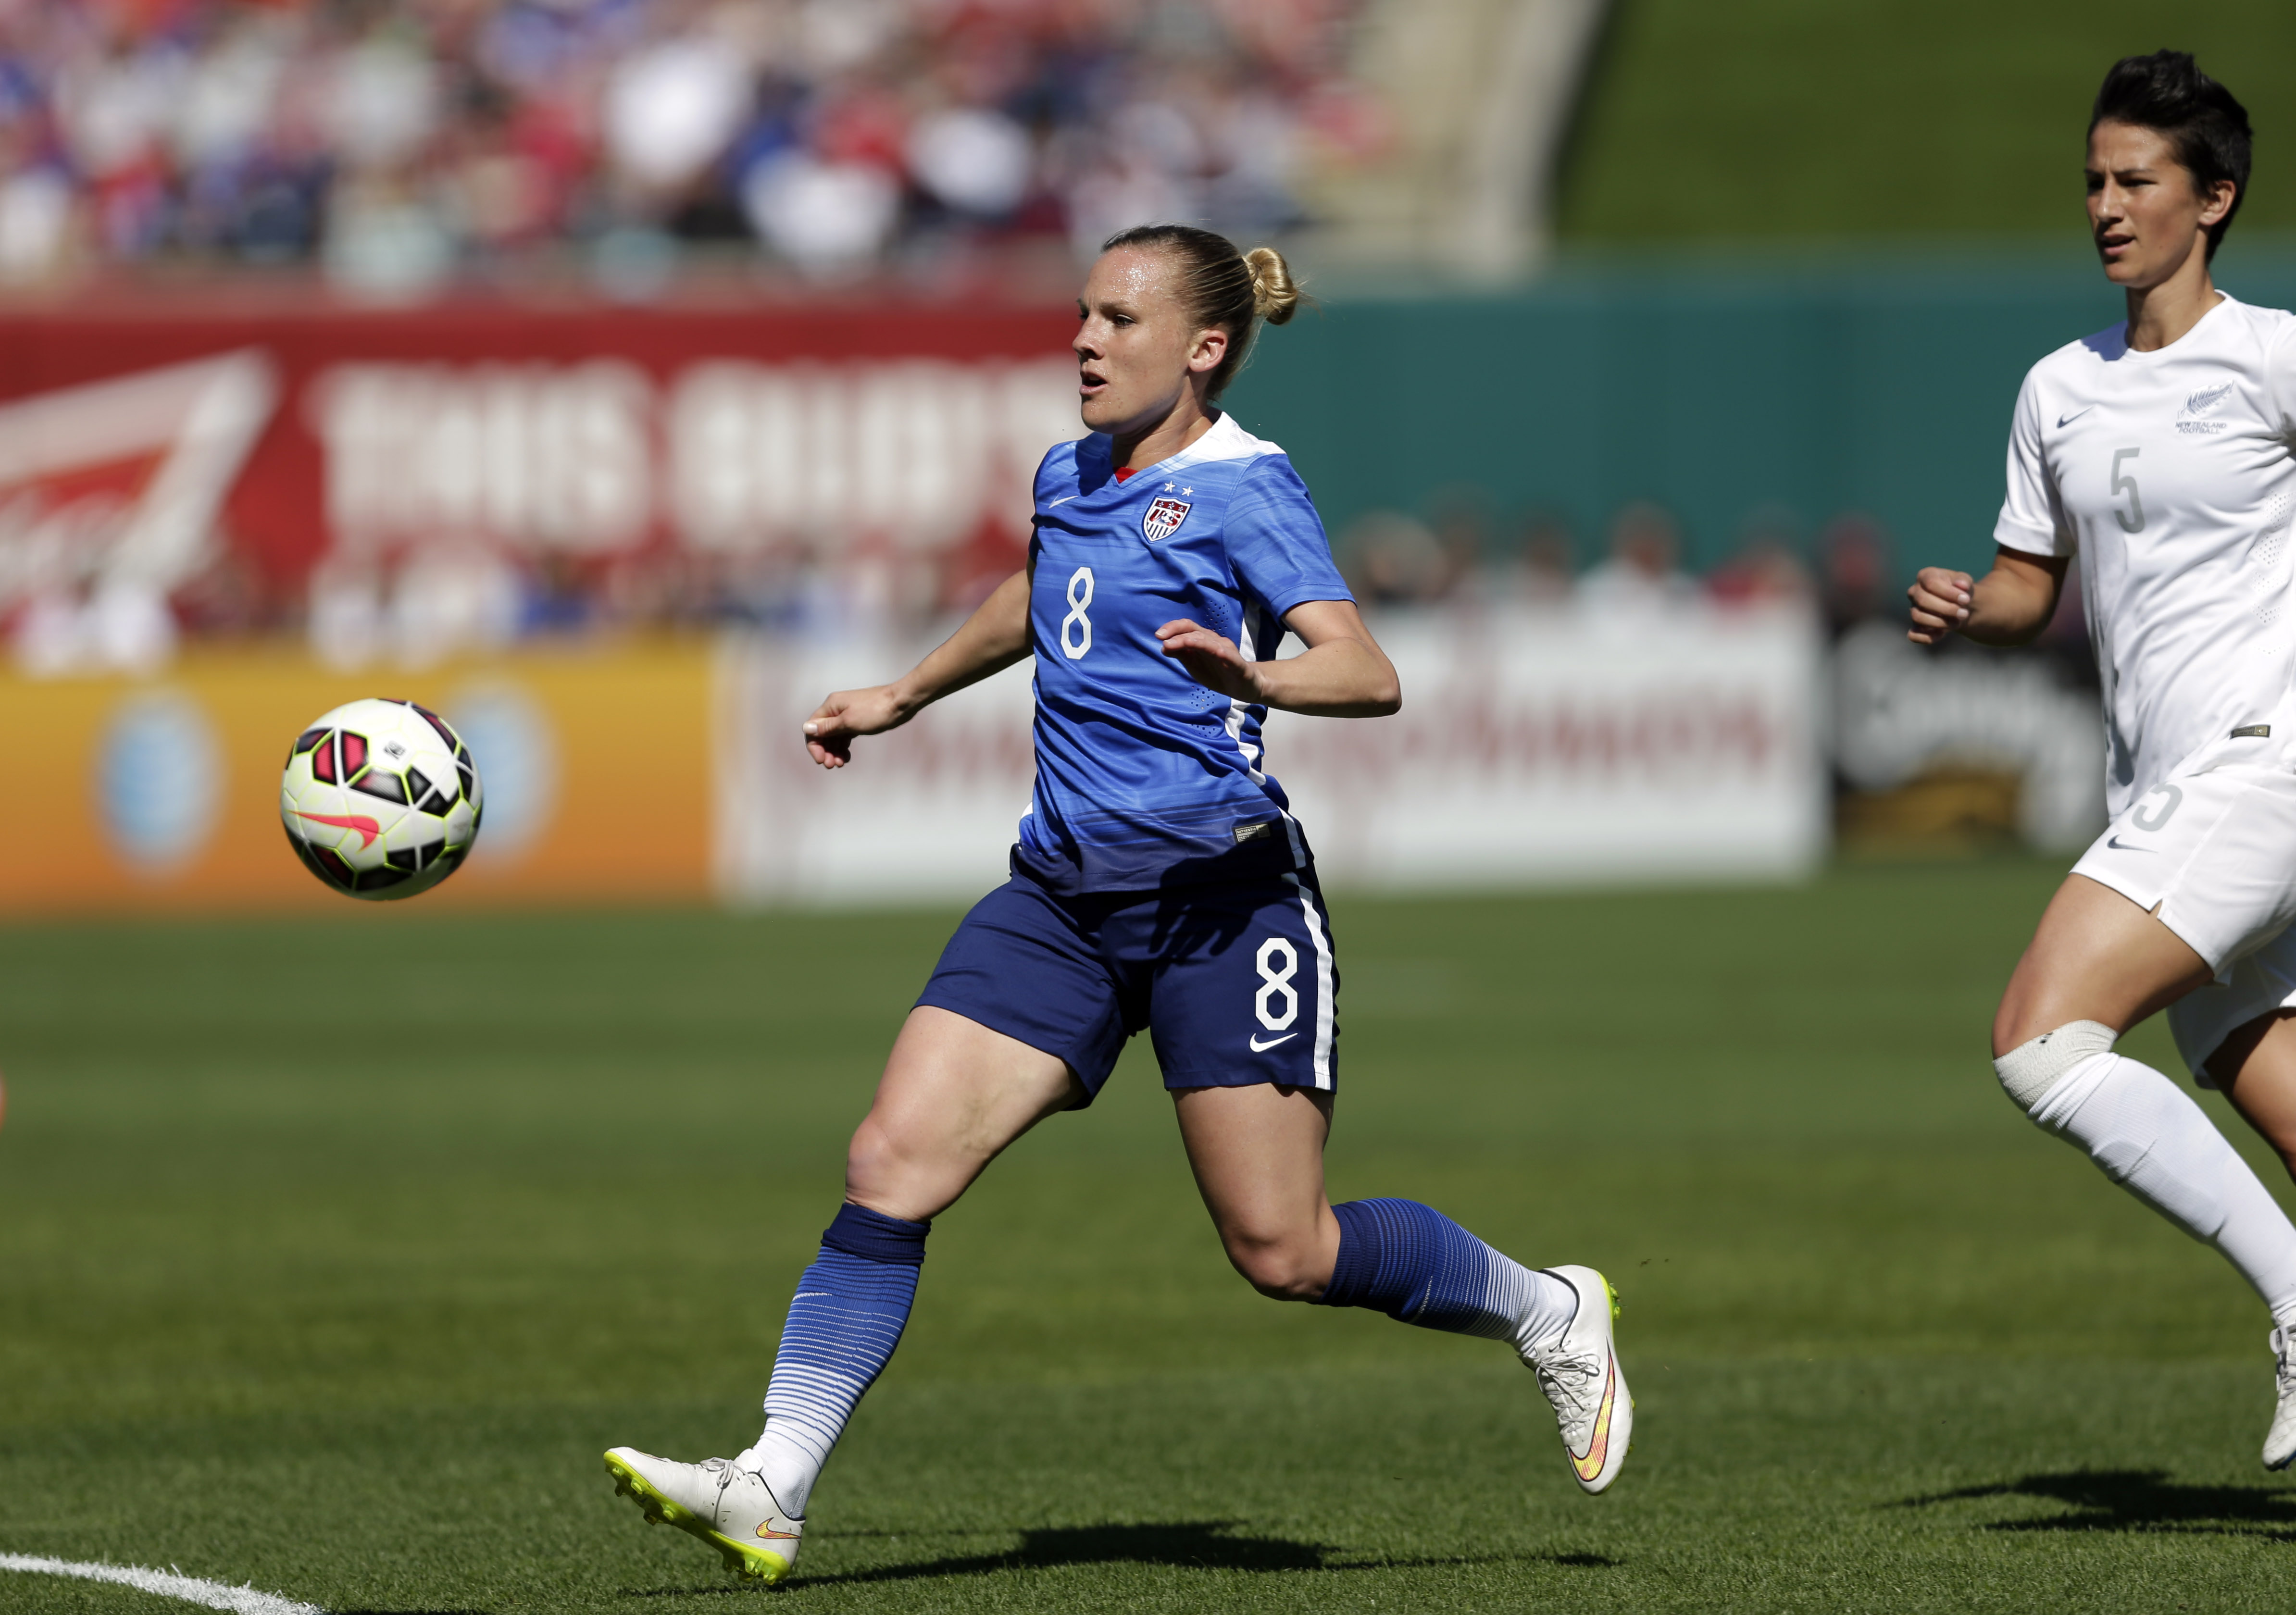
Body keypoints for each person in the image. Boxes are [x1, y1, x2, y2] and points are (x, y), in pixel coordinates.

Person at [602, 224, 1632, 1586]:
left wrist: (1252, 679)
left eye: (1120, 321)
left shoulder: (1249, 486)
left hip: (1226, 906)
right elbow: (1043, 591)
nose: (1085, 341)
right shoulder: (1071, 469)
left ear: (1204, 349)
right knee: (890, 1166)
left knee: (1284, 1249)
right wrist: (902, 693)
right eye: (1082, 314)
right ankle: (772, 1485)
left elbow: (1369, 672)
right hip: (1064, 900)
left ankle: (1545, 1306)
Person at [1907, 50, 2296, 1467]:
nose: (2108, 205)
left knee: (2042, 1042)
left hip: (2264, 767)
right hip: (2170, 788)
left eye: (2139, 180)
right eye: (2094, 179)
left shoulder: (2274, 357)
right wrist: (1973, 609)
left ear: (2216, 200)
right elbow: (2033, 584)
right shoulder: (2059, 387)